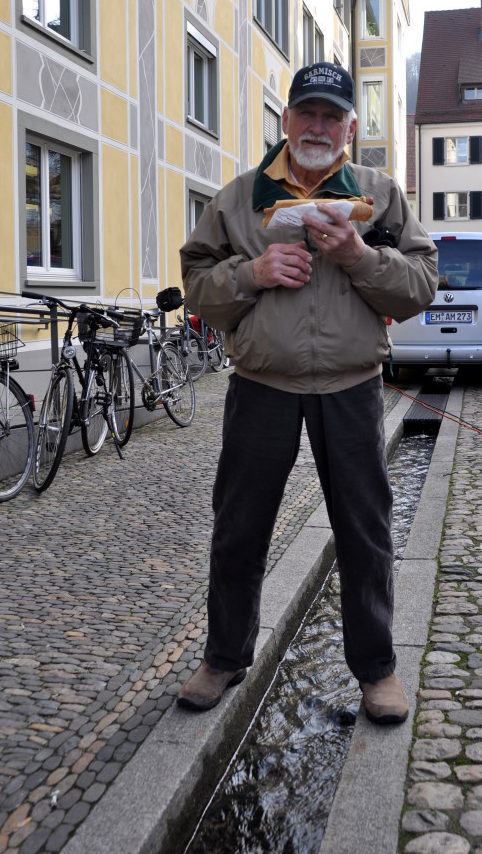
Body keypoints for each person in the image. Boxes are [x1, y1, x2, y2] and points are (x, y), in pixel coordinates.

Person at [178, 61, 438, 724]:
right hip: (261, 384)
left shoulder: (379, 196)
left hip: (350, 386)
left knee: (365, 532)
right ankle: (224, 657)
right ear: (286, 120)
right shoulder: (239, 199)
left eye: (332, 116)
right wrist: (253, 272)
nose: (318, 126)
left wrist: (359, 256)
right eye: (307, 113)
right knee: (238, 530)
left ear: (350, 128)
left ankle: (377, 671)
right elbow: (198, 287)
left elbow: (419, 287)